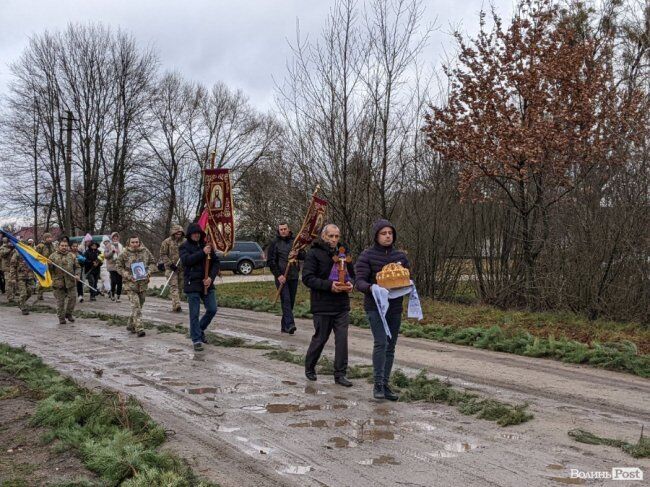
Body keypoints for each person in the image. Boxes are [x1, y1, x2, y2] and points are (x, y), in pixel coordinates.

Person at [355, 219, 411, 401]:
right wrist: (372, 288)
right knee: (381, 343)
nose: (387, 236)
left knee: (391, 345)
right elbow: (359, 281)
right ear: (376, 236)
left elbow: (406, 277)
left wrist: (408, 284)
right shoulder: (367, 256)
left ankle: (386, 384)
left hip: (394, 307)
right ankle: (377, 384)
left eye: (390, 233)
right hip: (375, 307)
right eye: (383, 233)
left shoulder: (400, 257)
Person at [302, 224, 355, 387]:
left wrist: (351, 284)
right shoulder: (313, 253)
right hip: (322, 304)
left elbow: (352, 274)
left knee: (342, 340)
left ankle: (340, 374)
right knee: (321, 338)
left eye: (336, 236)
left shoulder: (344, 253)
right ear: (323, 236)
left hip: (341, 305)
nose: (334, 239)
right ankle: (310, 366)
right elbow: (308, 278)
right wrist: (329, 286)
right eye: (330, 236)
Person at [179, 223, 220, 352]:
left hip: (206, 283)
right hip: (192, 284)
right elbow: (187, 261)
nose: (196, 235)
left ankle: (199, 329)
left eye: (198, 233)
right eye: (194, 233)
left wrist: (211, 278)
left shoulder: (207, 245)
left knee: (212, 309)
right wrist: (202, 253)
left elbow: (216, 263)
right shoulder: (184, 247)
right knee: (194, 313)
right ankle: (196, 339)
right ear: (190, 235)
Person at [267, 223, 305, 334]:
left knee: (291, 302)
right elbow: (271, 261)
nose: (283, 231)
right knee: (286, 299)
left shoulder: (295, 241)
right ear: (278, 231)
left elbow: (304, 256)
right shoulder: (275, 243)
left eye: (285, 229)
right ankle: (290, 324)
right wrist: (278, 275)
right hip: (281, 277)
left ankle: (284, 326)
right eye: (281, 229)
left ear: (289, 230)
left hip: (293, 275)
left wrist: (298, 253)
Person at [116, 235, 156, 337]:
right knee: (136, 306)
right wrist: (127, 275)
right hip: (130, 284)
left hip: (143, 284)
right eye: (132, 242)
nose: (134, 244)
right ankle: (139, 328)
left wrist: (149, 272)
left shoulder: (145, 251)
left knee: (139, 305)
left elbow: (152, 263)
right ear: (129, 243)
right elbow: (118, 266)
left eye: (136, 242)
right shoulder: (124, 253)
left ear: (139, 242)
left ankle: (130, 324)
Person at [49, 239, 79, 324]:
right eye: (62, 245)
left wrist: (77, 274)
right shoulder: (52, 256)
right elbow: (48, 270)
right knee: (60, 302)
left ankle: (68, 314)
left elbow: (77, 267)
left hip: (70, 281)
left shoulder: (72, 256)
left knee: (72, 299)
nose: (64, 247)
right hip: (58, 283)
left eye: (66, 246)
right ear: (59, 246)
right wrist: (49, 265)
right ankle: (61, 318)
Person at [159, 225, 185, 312]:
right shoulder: (167, 242)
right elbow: (163, 254)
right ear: (173, 233)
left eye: (180, 233)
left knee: (180, 286)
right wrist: (170, 264)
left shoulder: (185, 242)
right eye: (177, 233)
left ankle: (177, 302)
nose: (178, 235)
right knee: (174, 286)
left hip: (182, 268)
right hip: (171, 268)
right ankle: (177, 305)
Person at [10, 245, 35, 315]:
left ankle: (20, 302)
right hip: (20, 277)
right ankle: (23, 307)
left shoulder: (30, 252)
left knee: (30, 292)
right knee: (23, 293)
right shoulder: (17, 254)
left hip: (29, 276)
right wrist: (13, 277)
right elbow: (12, 266)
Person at [35, 232, 55, 300]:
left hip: (51, 265)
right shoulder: (40, 246)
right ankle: (40, 294)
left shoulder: (52, 245)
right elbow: (36, 255)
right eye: (48, 238)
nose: (49, 239)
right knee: (43, 279)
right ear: (44, 238)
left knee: (53, 279)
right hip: (43, 265)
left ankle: (56, 294)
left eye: (50, 237)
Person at [104, 232, 123, 302]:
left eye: (116, 238)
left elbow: (123, 255)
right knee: (114, 280)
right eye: (114, 238)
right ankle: (112, 293)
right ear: (111, 238)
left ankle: (118, 296)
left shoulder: (120, 246)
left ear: (118, 238)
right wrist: (112, 252)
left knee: (120, 282)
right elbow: (105, 256)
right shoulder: (108, 246)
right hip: (112, 266)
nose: (115, 239)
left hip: (120, 266)